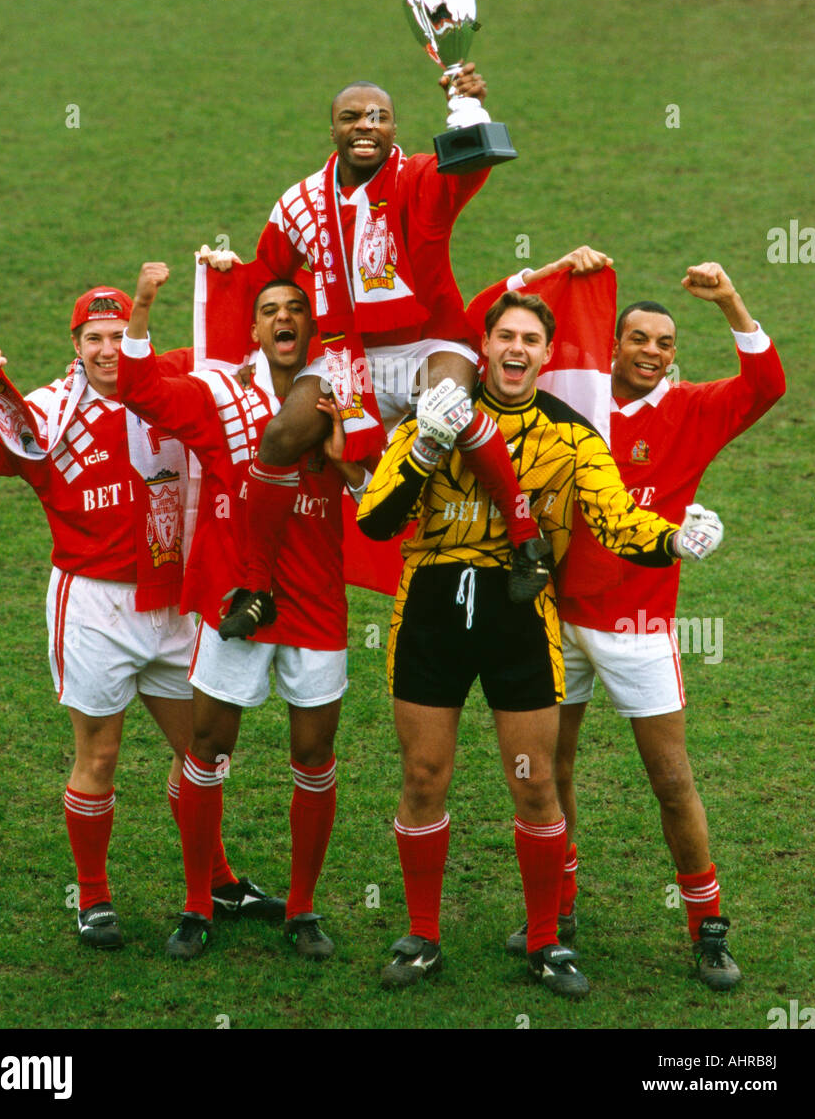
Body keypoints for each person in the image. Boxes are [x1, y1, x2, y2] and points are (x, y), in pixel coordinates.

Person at [356, 289, 724, 996]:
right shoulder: (433, 416)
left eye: (530, 339)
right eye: (505, 336)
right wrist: (426, 444)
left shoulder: (574, 436)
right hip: (431, 610)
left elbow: (617, 522)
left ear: (546, 355)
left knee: (535, 783)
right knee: (424, 779)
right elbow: (376, 520)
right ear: (484, 347)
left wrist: (676, 539)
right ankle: (422, 936)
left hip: (519, 618)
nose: (517, 349)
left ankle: (547, 942)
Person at [0, 287, 262, 951]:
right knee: (100, 754)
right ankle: (93, 898)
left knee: (204, 753)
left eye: (119, 335)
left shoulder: (173, 381)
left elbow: (234, 349)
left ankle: (220, 880)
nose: (108, 349)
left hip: (172, 600)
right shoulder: (47, 413)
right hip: (94, 607)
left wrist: (229, 282)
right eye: (94, 338)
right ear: (75, 348)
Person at [221, 67, 541, 641]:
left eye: (379, 118)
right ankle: (256, 587)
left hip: (428, 341)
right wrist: (226, 274)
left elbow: (471, 164)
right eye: (352, 118)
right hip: (349, 352)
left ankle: (526, 543)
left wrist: (468, 109)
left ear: (395, 128)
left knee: (451, 407)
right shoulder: (297, 202)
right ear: (333, 131)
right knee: (278, 437)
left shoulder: (419, 175)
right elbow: (268, 273)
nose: (366, 126)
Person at [117, 262, 368, 961]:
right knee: (208, 749)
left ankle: (305, 910)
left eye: (295, 307)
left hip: (317, 603)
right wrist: (142, 304)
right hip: (239, 605)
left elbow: (380, 494)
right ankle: (199, 904)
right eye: (269, 309)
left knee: (314, 754)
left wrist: (351, 464)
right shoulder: (220, 394)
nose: (283, 318)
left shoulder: (344, 394)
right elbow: (137, 389)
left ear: (310, 326)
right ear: (255, 328)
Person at [552, 260, 786, 991]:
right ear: (613, 346)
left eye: (664, 342)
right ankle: (555, 910)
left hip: (638, 624)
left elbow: (766, 387)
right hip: (556, 618)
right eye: (639, 338)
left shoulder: (689, 410)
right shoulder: (574, 403)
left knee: (671, 779)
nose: (652, 351)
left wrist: (731, 302)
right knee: (551, 769)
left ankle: (706, 926)